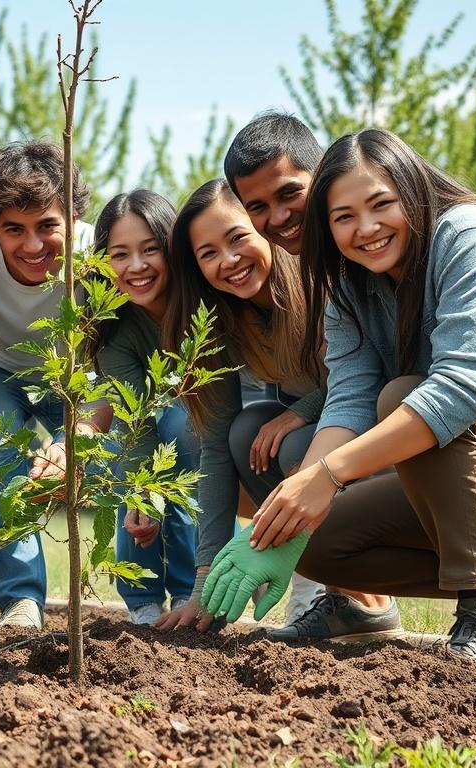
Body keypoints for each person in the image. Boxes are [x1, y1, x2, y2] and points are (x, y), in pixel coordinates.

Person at [217, 128, 476, 675]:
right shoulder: (346, 284)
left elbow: (463, 389)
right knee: (320, 545)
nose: (366, 229)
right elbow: (349, 401)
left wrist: (328, 476)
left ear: (412, 190)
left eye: (381, 204)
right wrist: (291, 509)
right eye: (344, 217)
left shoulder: (472, 236)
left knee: (411, 399)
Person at [223, 111, 392, 637]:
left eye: (289, 193)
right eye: (258, 207)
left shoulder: (365, 250)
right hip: (388, 425)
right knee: (258, 433)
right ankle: (354, 604)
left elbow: (389, 379)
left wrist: (316, 472)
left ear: (321, 175)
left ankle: (470, 597)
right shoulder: (333, 274)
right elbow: (353, 384)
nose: (277, 216)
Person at [155, 180, 331, 634]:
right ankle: (322, 582)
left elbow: (367, 380)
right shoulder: (222, 320)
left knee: (290, 446)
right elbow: (212, 446)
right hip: (310, 428)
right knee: (245, 432)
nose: (229, 261)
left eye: (237, 238)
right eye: (208, 253)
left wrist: (302, 411)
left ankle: (326, 588)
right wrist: (202, 580)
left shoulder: (320, 283)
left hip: (369, 428)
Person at [0, 140, 111, 629]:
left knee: (120, 457)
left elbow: (121, 357)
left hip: (74, 374)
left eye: (48, 226)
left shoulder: (97, 253)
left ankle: (151, 602)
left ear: (71, 218)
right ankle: (21, 600)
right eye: (13, 230)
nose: (32, 245)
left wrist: (76, 438)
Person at [90, 189, 198, 625]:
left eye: (150, 249)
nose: (136, 266)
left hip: (203, 425)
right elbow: (135, 415)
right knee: (124, 449)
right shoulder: (115, 329)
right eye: (120, 254)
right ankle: (143, 601)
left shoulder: (202, 303)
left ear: (172, 249)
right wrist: (142, 496)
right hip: (146, 429)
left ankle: (195, 591)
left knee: (183, 426)